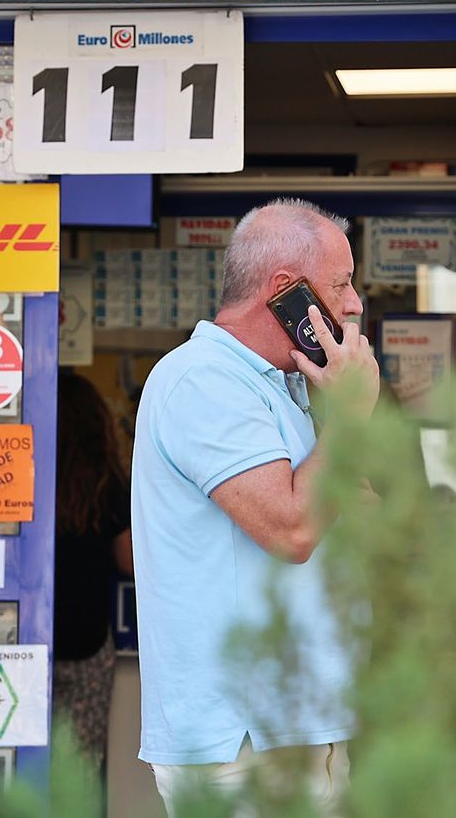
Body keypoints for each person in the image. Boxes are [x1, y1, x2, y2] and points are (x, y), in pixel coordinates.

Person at [131, 198, 380, 816]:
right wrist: (350, 419)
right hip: (242, 743)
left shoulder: (283, 386)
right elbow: (293, 529)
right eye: (341, 284)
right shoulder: (203, 380)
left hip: (296, 727)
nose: (354, 304)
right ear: (286, 291)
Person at [52, 371, 133, 790]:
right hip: (85, 640)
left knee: (23, 752)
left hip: (26, 640)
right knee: (80, 769)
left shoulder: (26, 474)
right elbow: (130, 560)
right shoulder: (106, 482)